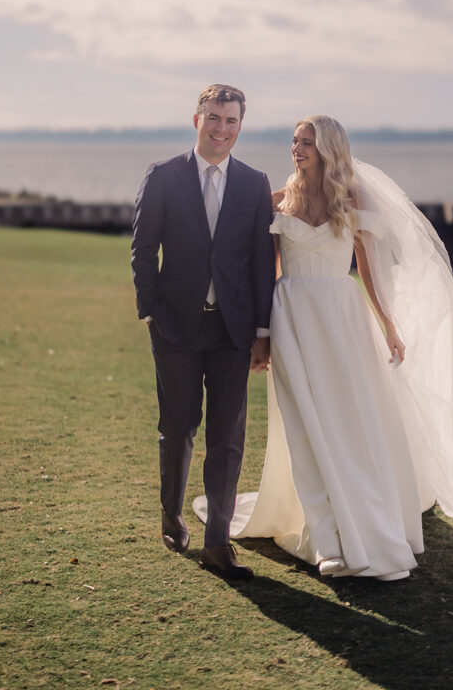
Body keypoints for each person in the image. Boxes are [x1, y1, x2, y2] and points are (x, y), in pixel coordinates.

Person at [193, 115, 453, 579]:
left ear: (329, 148)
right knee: (301, 425)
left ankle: (364, 516)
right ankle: (325, 536)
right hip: (290, 318)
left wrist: (388, 323)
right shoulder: (276, 201)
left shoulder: (352, 200)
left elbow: (367, 268)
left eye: (306, 142)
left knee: (348, 421)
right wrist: (263, 333)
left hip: (342, 319)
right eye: (294, 141)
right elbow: (267, 272)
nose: (297, 148)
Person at [131, 84, 275, 580]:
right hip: (176, 327)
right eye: (214, 118)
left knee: (228, 438)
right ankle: (171, 512)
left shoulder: (255, 183)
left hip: (233, 331)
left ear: (240, 126)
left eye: (231, 121)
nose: (222, 129)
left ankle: (218, 541)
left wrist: (261, 329)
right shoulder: (164, 176)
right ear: (197, 120)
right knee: (178, 427)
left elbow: (261, 261)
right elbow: (143, 248)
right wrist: (150, 309)